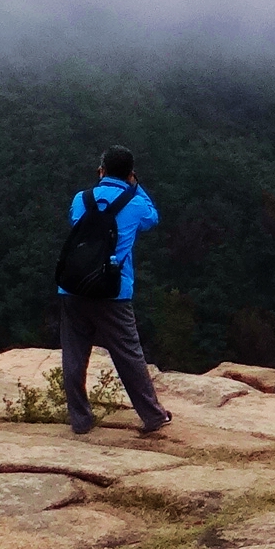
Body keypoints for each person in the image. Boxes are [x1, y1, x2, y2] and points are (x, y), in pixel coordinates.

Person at [58, 145, 173, 436]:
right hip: (114, 291)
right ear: (130, 174)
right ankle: (152, 415)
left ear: (101, 170)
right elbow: (153, 219)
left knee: (73, 354)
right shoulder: (135, 204)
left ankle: (81, 421)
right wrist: (137, 186)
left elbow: (76, 224)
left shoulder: (80, 199)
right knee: (129, 355)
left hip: (73, 287)